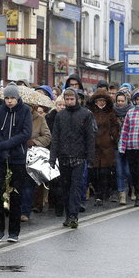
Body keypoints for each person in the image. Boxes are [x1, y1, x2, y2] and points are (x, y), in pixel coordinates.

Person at [0, 84, 32, 243]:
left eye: (12, 98)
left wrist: (6, 145)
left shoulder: (25, 110)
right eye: (7, 98)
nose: (9, 101)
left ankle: (14, 232)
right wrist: (1, 149)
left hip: (18, 158)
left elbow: (25, 133)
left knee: (15, 194)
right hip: (1, 157)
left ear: (17, 98)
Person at [49, 88, 96, 227]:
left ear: (77, 99)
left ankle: (73, 216)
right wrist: (52, 157)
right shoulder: (60, 115)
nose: (69, 102)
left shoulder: (85, 114)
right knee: (66, 187)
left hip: (79, 157)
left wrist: (90, 158)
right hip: (63, 156)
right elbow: (55, 137)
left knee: (75, 187)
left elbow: (90, 137)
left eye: (71, 99)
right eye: (67, 99)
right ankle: (68, 214)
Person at [20, 101, 52, 221]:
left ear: (33, 107)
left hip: (32, 156)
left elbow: (47, 137)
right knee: (16, 184)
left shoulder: (39, 119)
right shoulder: (16, 115)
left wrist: (34, 142)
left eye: (29, 106)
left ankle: (25, 212)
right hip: (17, 153)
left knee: (28, 185)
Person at [87, 88, 119, 206]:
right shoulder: (91, 113)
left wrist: (112, 136)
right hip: (94, 146)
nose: (101, 103)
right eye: (98, 100)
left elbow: (115, 126)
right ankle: (98, 194)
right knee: (95, 172)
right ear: (95, 101)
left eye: (103, 100)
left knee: (105, 171)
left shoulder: (110, 112)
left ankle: (104, 194)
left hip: (107, 146)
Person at [113, 90, 132, 204]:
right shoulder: (112, 112)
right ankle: (122, 194)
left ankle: (133, 189)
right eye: (118, 101)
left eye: (122, 101)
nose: (120, 103)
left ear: (126, 101)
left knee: (129, 171)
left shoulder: (131, 112)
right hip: (116, 145)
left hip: (129, 145)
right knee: (119, 171)